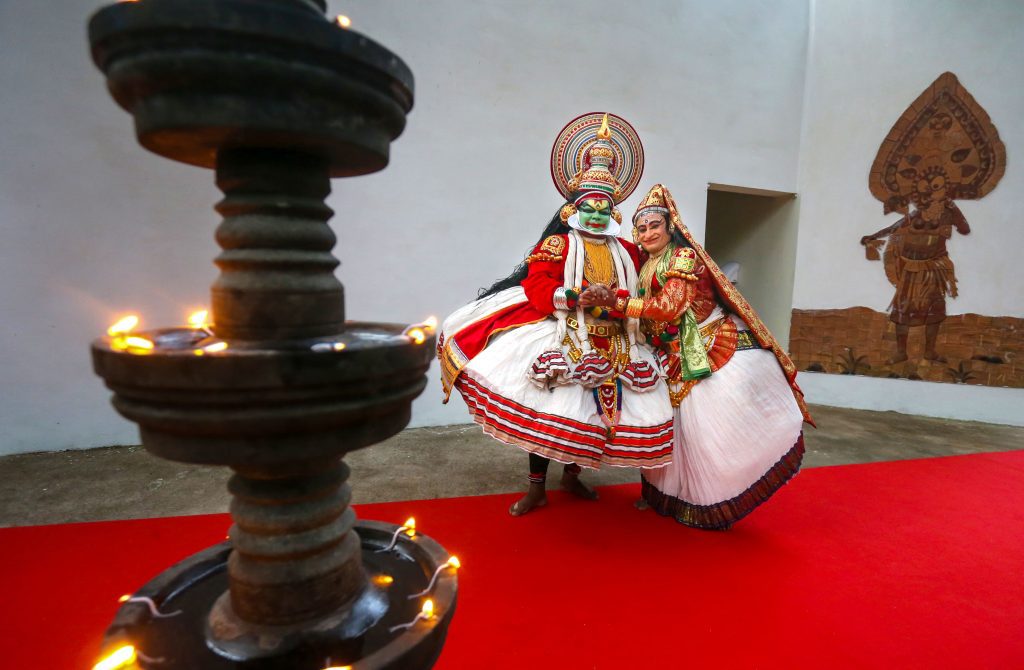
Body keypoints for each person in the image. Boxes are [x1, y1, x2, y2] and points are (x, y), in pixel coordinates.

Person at [437, 114, 672, 516]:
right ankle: (537, 488)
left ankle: (572, 477)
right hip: (566, 331)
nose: (598, 216)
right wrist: (576, 295)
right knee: (551, 414)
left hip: (618, 337)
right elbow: (537, 284)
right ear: (573, 211)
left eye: (605, 209)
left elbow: (642, 285)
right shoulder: (558, 244)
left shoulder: (629, 252)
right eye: (590, 209)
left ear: (614, 214)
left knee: (592, 420)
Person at [590, 184, 815, 529]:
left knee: (709, 434)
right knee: (673, 430)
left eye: (655, 225)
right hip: (670, 354)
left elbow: (668, 308)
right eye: (642, 227)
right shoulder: (647, 263)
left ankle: (711, 500)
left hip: (708, 348)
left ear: (670, 228)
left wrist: (615, 303)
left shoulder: (682, 257)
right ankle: (665, 497)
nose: (648, 232)